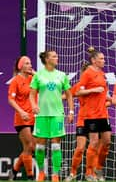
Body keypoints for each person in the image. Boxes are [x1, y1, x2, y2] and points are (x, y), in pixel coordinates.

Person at [29, 50, 74, 182]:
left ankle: (55, 174)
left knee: (55, 145)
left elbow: (69, 94)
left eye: (56, 56)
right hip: (42, 115)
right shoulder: (38, 75)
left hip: (57, 115)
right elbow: (32, 94)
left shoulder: (61, 75)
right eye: (54, 56)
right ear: (47, 59)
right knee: (40, 147)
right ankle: (41, 172)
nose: (57, 58)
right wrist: (33, 105)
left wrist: (71, 111)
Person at [75, 48, 111, 182]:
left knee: (107, 141)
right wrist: (94, 89)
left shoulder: (102, 74)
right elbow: (79, 92)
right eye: (101, 59)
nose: (104, 61)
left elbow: (105, 93)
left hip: (103, 113)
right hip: (91, 114)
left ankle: (98, 168)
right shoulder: (87, 74)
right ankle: (89, 172)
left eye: (103, 58)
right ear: (94, 60)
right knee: (94, 142)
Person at [7, 56, 35, 181]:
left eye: (30, 63)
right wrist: (21, 111)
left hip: (35, 117)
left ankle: (13, 171)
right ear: (21, 66)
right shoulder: (16, 81)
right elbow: (10, 99)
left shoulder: (33, 78)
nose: (30, 65)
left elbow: (45, 82)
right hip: (22, 118)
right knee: (29, 146)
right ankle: (30, 177)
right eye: (27, 63)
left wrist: (35, 74)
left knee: (31, 148)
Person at [65, 63, 89, 182]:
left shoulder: (99, 85)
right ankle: (72, 173)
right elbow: (66, 96)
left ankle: (91, 174)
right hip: (82, 120)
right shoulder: (79, 86)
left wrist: (100, 106)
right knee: (80, 148)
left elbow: (109, 101)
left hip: (98, 118)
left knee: (96, 148)